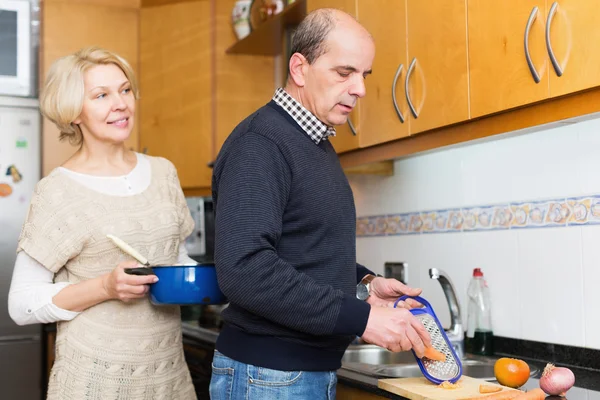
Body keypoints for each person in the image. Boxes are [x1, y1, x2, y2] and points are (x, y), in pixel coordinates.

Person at [209, 8, 432, 400]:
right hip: (269, 377)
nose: (360, 89)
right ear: (300, 68)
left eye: (364, 75)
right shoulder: (260, 144)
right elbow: (245, 269)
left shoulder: (313, 142)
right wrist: (362, 319)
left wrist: (364, 285)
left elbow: (303, 250)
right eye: (345, 73)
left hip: (294, 374)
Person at [7, 46, 197, 399]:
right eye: (101, 95)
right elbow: (21, 304)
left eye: (125, 90)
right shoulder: (58, 192)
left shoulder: (163, 172)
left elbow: (177, 259)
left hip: (168, 376)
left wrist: (208, 280)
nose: (121, 104)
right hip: (94, 381)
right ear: (74, 112)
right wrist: (106, 288)